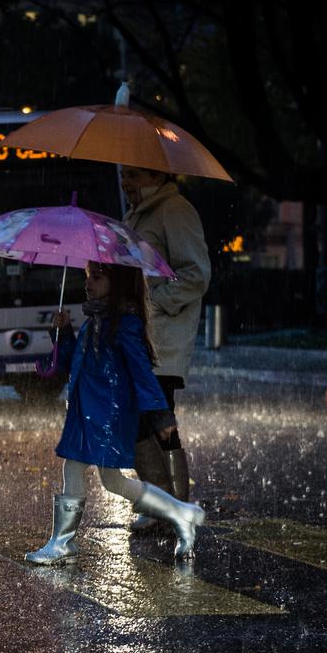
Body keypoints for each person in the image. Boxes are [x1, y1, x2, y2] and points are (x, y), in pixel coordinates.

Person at [26, 261, 205, 565]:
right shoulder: (96, 318)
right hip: (87, 412)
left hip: (107, 416)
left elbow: (141, 372)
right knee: (112, 481)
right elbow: (77, 364)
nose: (88, 283)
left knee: (76, 468)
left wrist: (161, 414)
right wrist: (64, 333)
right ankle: (181, 513)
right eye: (86, 276)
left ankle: (63, 543)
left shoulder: (124, 323)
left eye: (97, 277)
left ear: (117, 282)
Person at [119, 166, 211, 532]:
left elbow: (197, 275)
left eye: (132, 175)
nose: (125, 182)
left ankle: (176, 508)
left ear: (155, 175)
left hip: (163, 343)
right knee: (137, 424)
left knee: (158, 423)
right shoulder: (135, 215)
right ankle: (161, 504)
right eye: (123, 175)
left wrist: (153, 302)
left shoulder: (175, 210)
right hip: (138, 340)